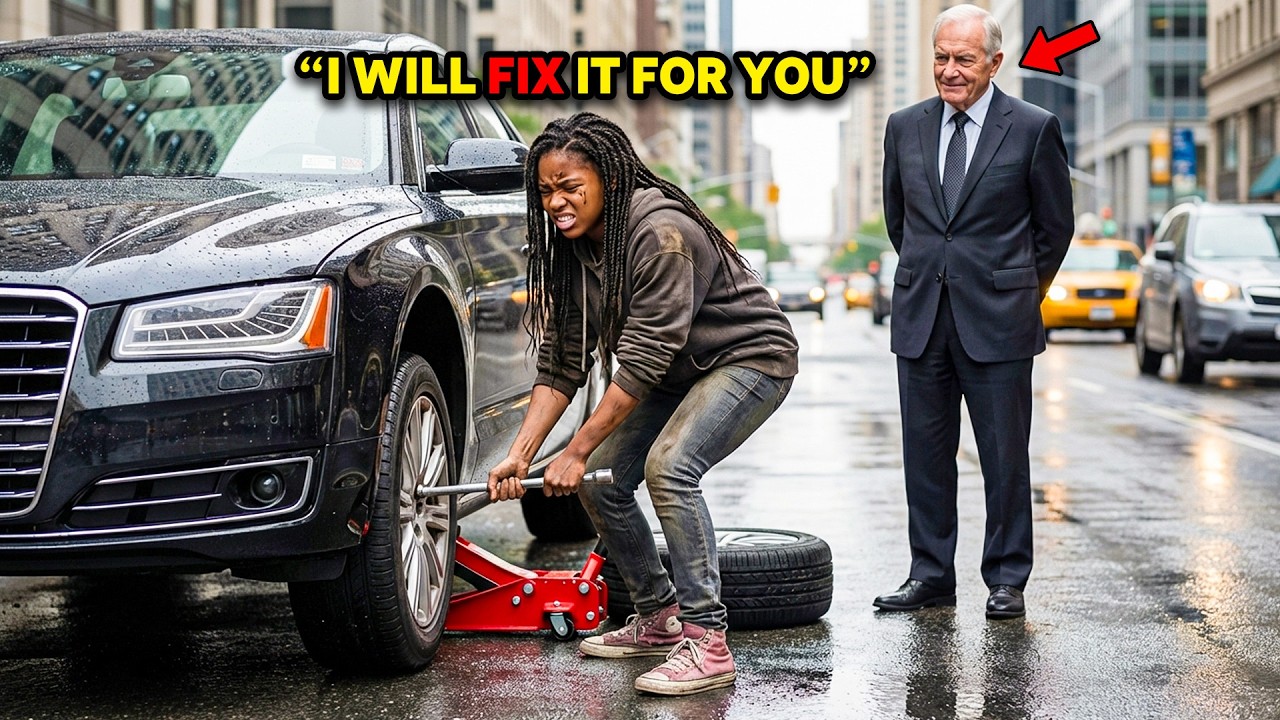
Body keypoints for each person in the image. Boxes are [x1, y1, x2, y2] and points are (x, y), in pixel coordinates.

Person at [487, 112, 798, 695]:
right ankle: (658, 616)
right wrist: (521, 455)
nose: (556, 201)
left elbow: (645, 360)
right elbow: (561, 364)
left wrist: (574, 450)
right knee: (601, 479)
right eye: (546, 190)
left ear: (607, 177)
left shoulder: (658, 233)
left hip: (747, 358)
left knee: (670, 468)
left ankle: (708, 641)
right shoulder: (573, 247)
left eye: (570, 187)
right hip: (679, 370)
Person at [875, 4, 1073, 619]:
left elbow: (1054, 229)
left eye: (964, 59)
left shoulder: (1034, 127)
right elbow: (899, 220)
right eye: (941, 57)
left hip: (1000, 323)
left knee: (1004, 459)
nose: (950, 71)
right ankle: (930, 574)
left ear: (995, 62)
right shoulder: (903, 126)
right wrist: (932, 275)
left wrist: (1017, 292)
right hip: (922, 319)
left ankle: (1007, 578)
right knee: (925, 460)